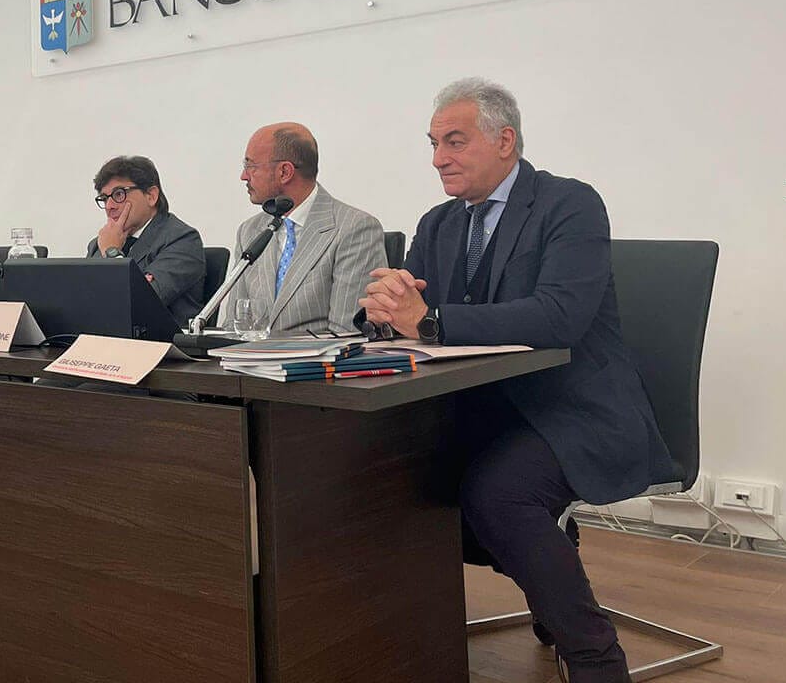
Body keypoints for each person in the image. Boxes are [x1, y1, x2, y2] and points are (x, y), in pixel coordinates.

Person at [357, 78, 672, 683]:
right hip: (478, 408)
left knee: (497, 495)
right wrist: (382, 310)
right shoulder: (437, 223)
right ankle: (544, 568)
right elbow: (412, 311)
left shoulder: (569, 204)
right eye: (432, 144)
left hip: (573, 408)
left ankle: (597, 660)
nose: (438, 159)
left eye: (454, 141)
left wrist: (431, 321)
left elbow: (560, 316)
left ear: (505, 141)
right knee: (391, 481)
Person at [223, 122, 384, 336]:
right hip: (248, 357)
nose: (244, 176)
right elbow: (234, 326)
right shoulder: (250, 231)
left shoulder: (355, 229)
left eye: (250, 166)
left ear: (284, 172)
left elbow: (347, 335)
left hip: (319, 358)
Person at [85, 156, 206, 324]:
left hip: (159, 339)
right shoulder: (98, 245)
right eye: (104, 198)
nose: (109, 206)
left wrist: (112, 253)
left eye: (119, 194)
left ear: (151, 195)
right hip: (104, 337)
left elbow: (141, 302)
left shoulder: (182, 240)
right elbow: (85, 302)